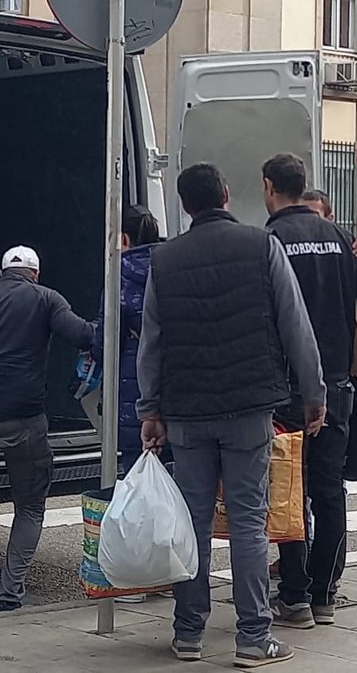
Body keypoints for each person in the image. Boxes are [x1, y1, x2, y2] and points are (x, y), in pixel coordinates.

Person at [137, 163, 325, 668]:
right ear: (225, 193)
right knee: (247, 523)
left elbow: (152, 342)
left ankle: (188, 633)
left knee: (193, 523)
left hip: (188, 413)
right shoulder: (260, 246)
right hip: (248, 409)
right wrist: (314, 393)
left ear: (185, 205)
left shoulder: (165, 259)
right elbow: (295, 324)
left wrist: (150, 409)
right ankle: (252, 637)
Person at [262, 154, 357, 630]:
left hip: (286, 390)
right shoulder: (340, 240)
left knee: (288, 492)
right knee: (330, 491)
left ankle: (292, 595)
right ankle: (325, 594)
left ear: (270, 187)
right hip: (337, 386)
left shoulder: (270, 240)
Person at [0, 246, 96, 612]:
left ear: (1, 272)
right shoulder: (46, 299)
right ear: (35, 274)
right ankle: (9, 596)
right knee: (29, 509)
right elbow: (84, 335)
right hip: (25, 418)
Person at [90, 204, 165, 476]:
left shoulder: (119, 276)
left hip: (136, 390)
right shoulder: (174, 264)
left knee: (138, 469)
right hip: (179, 387)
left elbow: (106, 344)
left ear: (123, 239)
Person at [301, 188, 357, 260]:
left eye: (313, 216)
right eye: (301, 214)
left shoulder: (347, 244)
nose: (306, 219)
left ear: (329, 219)